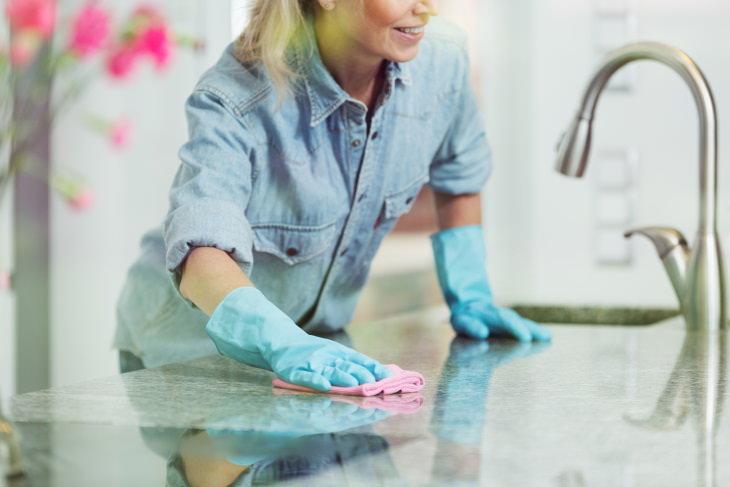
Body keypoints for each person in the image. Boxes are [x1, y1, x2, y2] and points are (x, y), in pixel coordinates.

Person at [114, 0, 551, 390]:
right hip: (186, 351)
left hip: (316, 347)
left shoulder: (442, 59)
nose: (427, 7)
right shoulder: (235, 98)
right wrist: (280, 342)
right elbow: (200, 252)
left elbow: (458, 175)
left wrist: (470, 292)